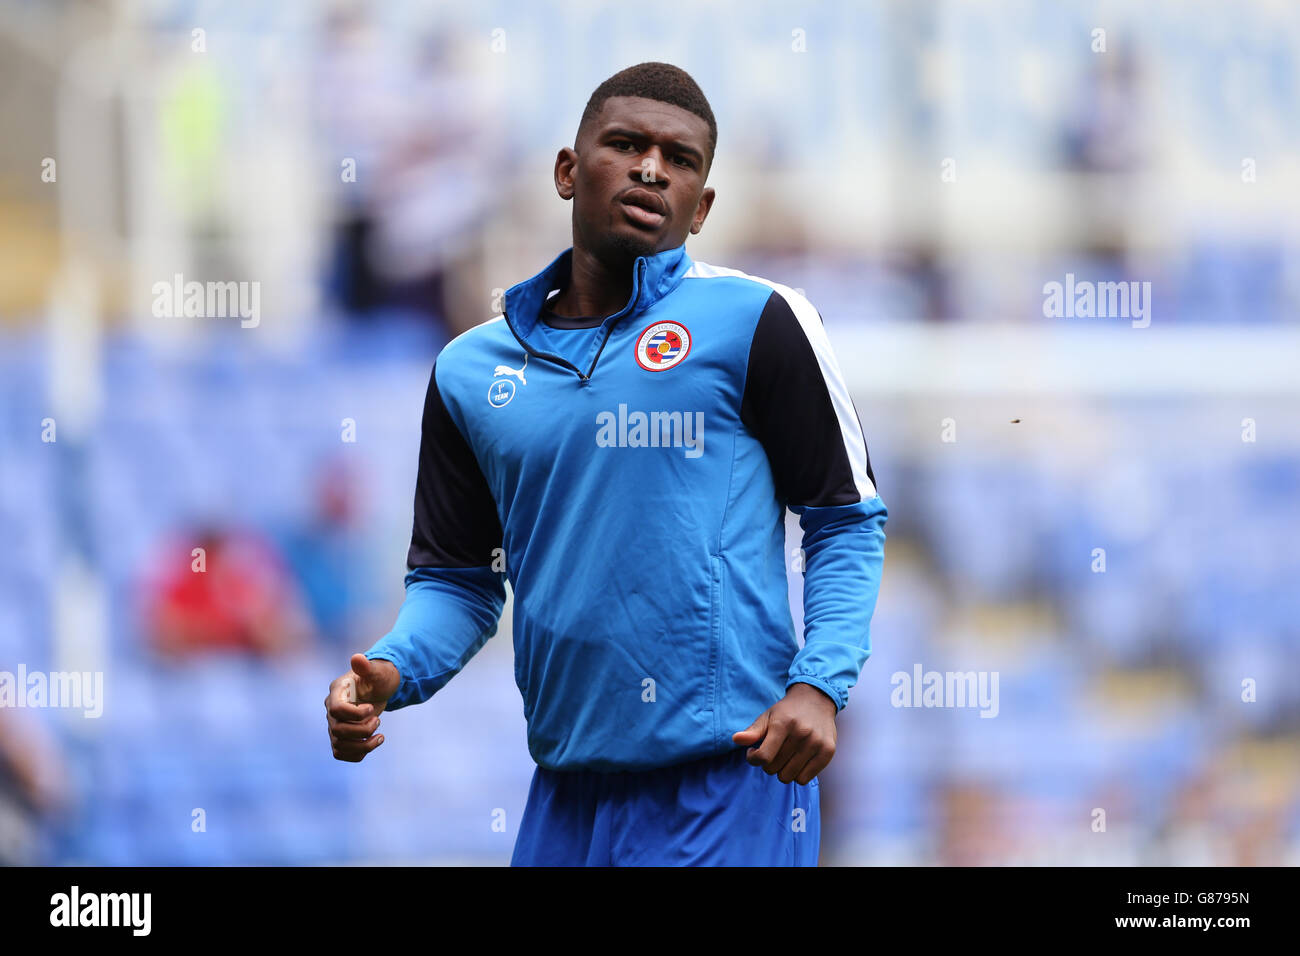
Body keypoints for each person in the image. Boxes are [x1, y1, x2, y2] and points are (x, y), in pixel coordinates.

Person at [324, 62, 887, 866]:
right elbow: (459, 581)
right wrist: (391, 669)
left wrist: (820, 682)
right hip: (564, 793)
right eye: (626, 144)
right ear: (567, 170)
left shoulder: (759, 321)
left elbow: (845, 519)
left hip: (726, 783)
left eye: (681, 159)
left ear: (702, 207)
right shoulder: (469, 371)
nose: (652, 167)